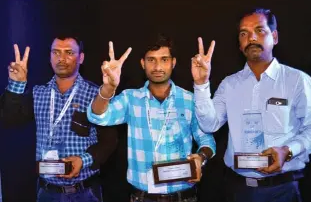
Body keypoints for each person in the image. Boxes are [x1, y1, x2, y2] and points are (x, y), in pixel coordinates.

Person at [192, 8, 311, 202]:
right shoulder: (229, 84)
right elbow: (209, 125)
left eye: (259, 30)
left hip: (282, 190)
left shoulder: (297, 80)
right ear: (239, 44)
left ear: (275, 36)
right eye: (243, 33)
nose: (251, 37)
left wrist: (287, 151)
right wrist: (201, 83)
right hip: (237, 190)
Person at [86, 34, 216, 202]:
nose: (157, 66)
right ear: (143, 63)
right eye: (151, 60)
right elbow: (98, 116)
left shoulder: (190, 99)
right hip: (142, 197)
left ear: (173, 63)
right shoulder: (130, 98)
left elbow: (207, 140)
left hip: (183, 197)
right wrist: (108, 88)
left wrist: (201, 158)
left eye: (164, 59)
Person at [0, 35, 118, 202]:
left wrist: (83, 160)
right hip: (47, 192)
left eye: (69, 52)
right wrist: (16, 84)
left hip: (85, 192)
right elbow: (10, 119)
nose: (61, 58)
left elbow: (110, 141)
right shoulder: (38, 93)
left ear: (81, 57)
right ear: (50, 57)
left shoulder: (97, 94)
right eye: (56, 52)